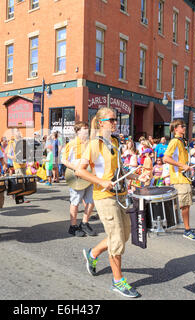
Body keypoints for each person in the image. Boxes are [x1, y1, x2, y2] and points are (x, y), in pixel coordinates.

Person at [77, 107, 140, 298]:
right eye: (112, 119)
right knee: (116, 238)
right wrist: (101, 181)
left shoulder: (113, 141)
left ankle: (93, 253)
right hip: (104, 196)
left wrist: (136, 175)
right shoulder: (94, 144)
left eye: (116, 119)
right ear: (101, 122)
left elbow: (118, 170)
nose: (115, 122)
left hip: (120, 194)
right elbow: (80, 171)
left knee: (124, 234)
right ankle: (117, 281)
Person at [163, 119, 195, 242]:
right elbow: (166, 158)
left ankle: (176, 224)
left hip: (184, 177)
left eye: (184, 125)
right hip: (179, 178)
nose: (184, 128)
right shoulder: (175, 141)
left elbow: (183, 161)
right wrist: (182, 165)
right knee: (184, 206)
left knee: (185, 205)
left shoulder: (182, 142)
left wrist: (193, 166)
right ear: (175, 129)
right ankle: (186, 230)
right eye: (182, 126)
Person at [60, 121, 96, 237]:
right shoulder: (71, 144)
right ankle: (73, 226)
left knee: (91, 201)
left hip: (90, 175)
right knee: (75, 201)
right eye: (84, 128)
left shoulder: (90, 143)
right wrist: (76, 168)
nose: (86, 130)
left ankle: (84, 223)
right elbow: (64, 160)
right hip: (77, 176)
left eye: (87, 128)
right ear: (77, 131)